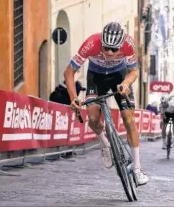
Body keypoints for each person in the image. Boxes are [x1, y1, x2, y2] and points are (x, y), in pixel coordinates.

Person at [63, 22, 148, 186]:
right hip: (96, 77)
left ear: (121, 45)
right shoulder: (92, 43)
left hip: (119, 75)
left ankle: (137, 170)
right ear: (101, 42)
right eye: (106, 48)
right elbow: (69, 72)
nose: (109, 52)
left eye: (114, 49)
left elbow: (134, 71)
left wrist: (126, 83)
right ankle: (104, 142)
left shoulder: (128, 44)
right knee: (93, 118)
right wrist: (73, 98)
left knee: (128, 118)